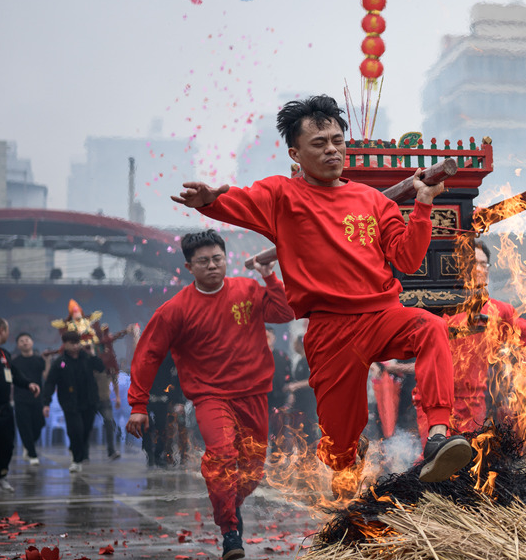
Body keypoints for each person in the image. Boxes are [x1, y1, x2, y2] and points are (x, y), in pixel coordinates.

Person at [171, 94, 472, 484]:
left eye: (337, 140)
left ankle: (437, 436)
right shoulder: (281, 196)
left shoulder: (371, 201)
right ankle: (347, 467)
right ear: (295, 153)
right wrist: (210, 200)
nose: (332, 149)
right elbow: (235, 201)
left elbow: (409, 259)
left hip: (382, 314)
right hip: (331, 333)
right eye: (319, 143)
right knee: (340, 451)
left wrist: (424, 206)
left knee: (430, 327)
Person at [126, 230, 296, 560]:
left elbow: (285, 312)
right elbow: (148, 354)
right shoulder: (175, 310)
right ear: (189, 267)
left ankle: (230, 504)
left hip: (254, 395)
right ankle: (230, 531)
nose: (212, 266)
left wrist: (269, 277)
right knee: (221, 457)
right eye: (203, 261)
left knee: (252, 471)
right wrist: (138, 405)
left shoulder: (248, 290)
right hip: (211, 398)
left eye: (217, 258)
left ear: (225, 258)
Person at [412, 240, 526, 440]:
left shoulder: (497, 311)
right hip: (432, 399)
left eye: (483, 264)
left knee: (468, 462)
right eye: (472, 263)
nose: (479, 269)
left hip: (472, 403)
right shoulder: (434, 306)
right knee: (434, 458)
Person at [42, 331, 106, 473]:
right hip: (70, 403)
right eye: (72, 343)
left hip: (89, 402)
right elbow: (50, 383)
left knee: (85, 430)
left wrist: (93, 353)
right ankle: (77, 461)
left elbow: (101, 368)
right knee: (75, 430)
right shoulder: (60, 362)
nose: (76, 346)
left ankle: (76, 450)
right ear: (65, 344)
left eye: (78, 343)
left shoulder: (87, 358)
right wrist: (46, 402)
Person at [0, 319, 42, 490]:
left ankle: (1, 475)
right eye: (7, 330)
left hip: (4, 407)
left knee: (7, 443)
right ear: (2, 330)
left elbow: (15, 375)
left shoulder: (4, 355)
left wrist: (28, 384)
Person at [11, 332, 47, 466]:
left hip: (37, 398)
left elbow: (47, 377)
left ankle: (28, 445)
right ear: (18, 345)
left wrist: (47, 361)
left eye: (27, 340)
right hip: (20, 399)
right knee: (24, 426)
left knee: (39, 424)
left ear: (32, 342)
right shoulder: (14, 362)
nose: (25, 342)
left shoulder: (39, 360)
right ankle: (32, 455)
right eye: (21, 341)